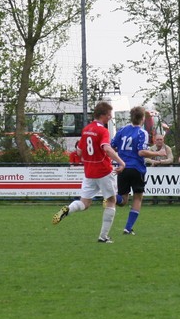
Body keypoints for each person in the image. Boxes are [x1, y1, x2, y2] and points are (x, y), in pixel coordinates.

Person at [52, 101, 126, 243]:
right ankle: (103, 237)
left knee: (84, 203)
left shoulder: (86, 129)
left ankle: (68, 209)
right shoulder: (103, 131)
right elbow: (107, 148)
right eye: (109, 114)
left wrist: (89, 157)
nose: (110, 117)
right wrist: (121, 162)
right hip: (104, 170)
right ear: (103, 115)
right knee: (111, 201)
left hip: (89, 171)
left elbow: (79, 151)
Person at [111, 106, 165, 235]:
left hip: (123, 167)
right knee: (137, 198)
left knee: (123, 200)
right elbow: (141, 152)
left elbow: (112, 146)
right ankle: (128, 228)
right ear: (143, 119)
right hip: (136, 168)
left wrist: (122, 152)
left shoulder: (122, 130)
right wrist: (158, 153)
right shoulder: (142, 132)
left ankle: (111, 198)